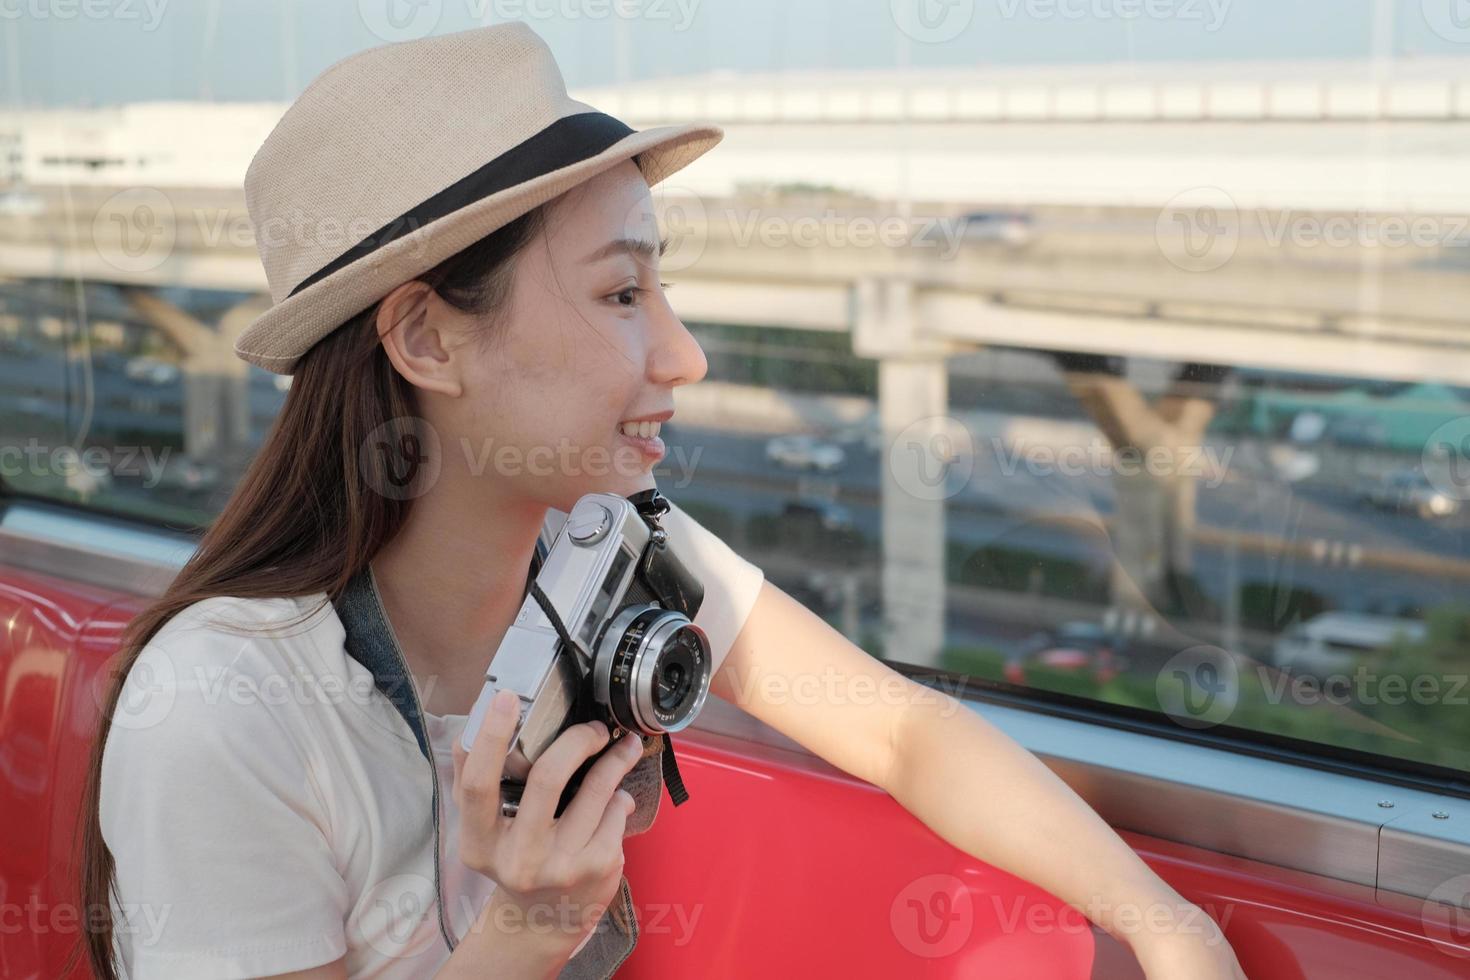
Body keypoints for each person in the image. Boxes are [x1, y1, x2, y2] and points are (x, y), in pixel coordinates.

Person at [71, 21, 1247, 980]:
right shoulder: (224, 710)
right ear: (427, 336)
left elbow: (901, 729)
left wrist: (1162, 920)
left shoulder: (608, 550)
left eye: (658, 285)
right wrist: (524, 935)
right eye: (622, 291)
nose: (683, 356)